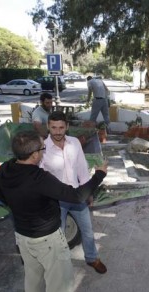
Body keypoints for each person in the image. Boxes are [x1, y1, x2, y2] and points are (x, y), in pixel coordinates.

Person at [0, 130, 107, 292]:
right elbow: (76, 196)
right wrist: (99, 175)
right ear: (33, 155)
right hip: (47, 241)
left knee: (33, 281)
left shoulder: (5, 168)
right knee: (60, 286)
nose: (43, 152)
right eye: (42, 149)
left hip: (23, 238)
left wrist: (20, 205)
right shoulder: (39, 178)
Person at [40, 111, 107, 274]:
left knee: (88, 231)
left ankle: (92, 258)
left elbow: (82, 169)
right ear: (48, 127)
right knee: (59, 235)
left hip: (77, 195)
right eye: (53, 127)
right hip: (56, 200)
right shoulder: (42, 147)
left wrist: (89, 191)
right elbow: (40, 177)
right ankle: (59, 266)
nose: (57, 131)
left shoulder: (74, 142)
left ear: (67, 127)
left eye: (61, 127)